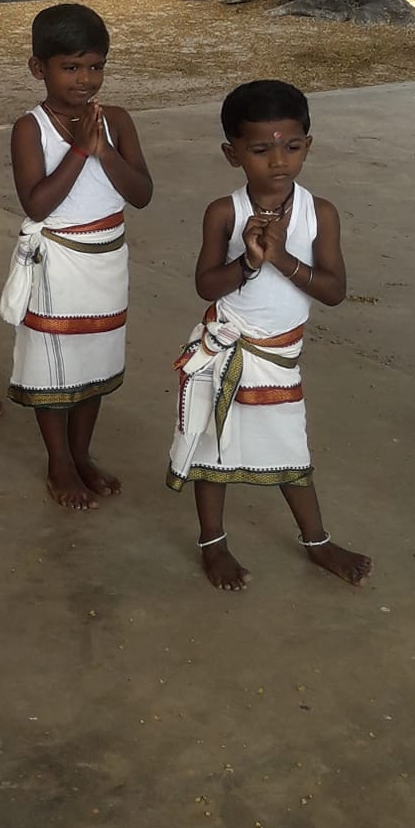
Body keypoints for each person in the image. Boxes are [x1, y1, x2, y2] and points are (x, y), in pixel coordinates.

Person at [168, 80, 370, 591]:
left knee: (290, 450)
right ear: (232, 154)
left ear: (308, 144)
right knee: (214, 449)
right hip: (228, 349)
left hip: (279, 357)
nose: (278, 160)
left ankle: (317, 541)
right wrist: (248, 261)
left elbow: (334, 290)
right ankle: (212, 542)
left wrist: (280, 258)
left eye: (292, 146)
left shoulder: (318, 213)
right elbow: (204, 284)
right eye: (260, 149)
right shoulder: (225, 212)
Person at [0, 4, 152, 510]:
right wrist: (81, 151)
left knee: (95, 360)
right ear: (38, 68)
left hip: (107, 261)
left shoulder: (119, 122)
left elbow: (142, 194)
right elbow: (37, 203)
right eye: (71, 67)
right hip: (57, 264)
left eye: (95, 67)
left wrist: (105, 150)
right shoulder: (30, 128)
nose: (85, 79)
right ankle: (58, 462)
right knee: (53, 364)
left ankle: (82, 453)